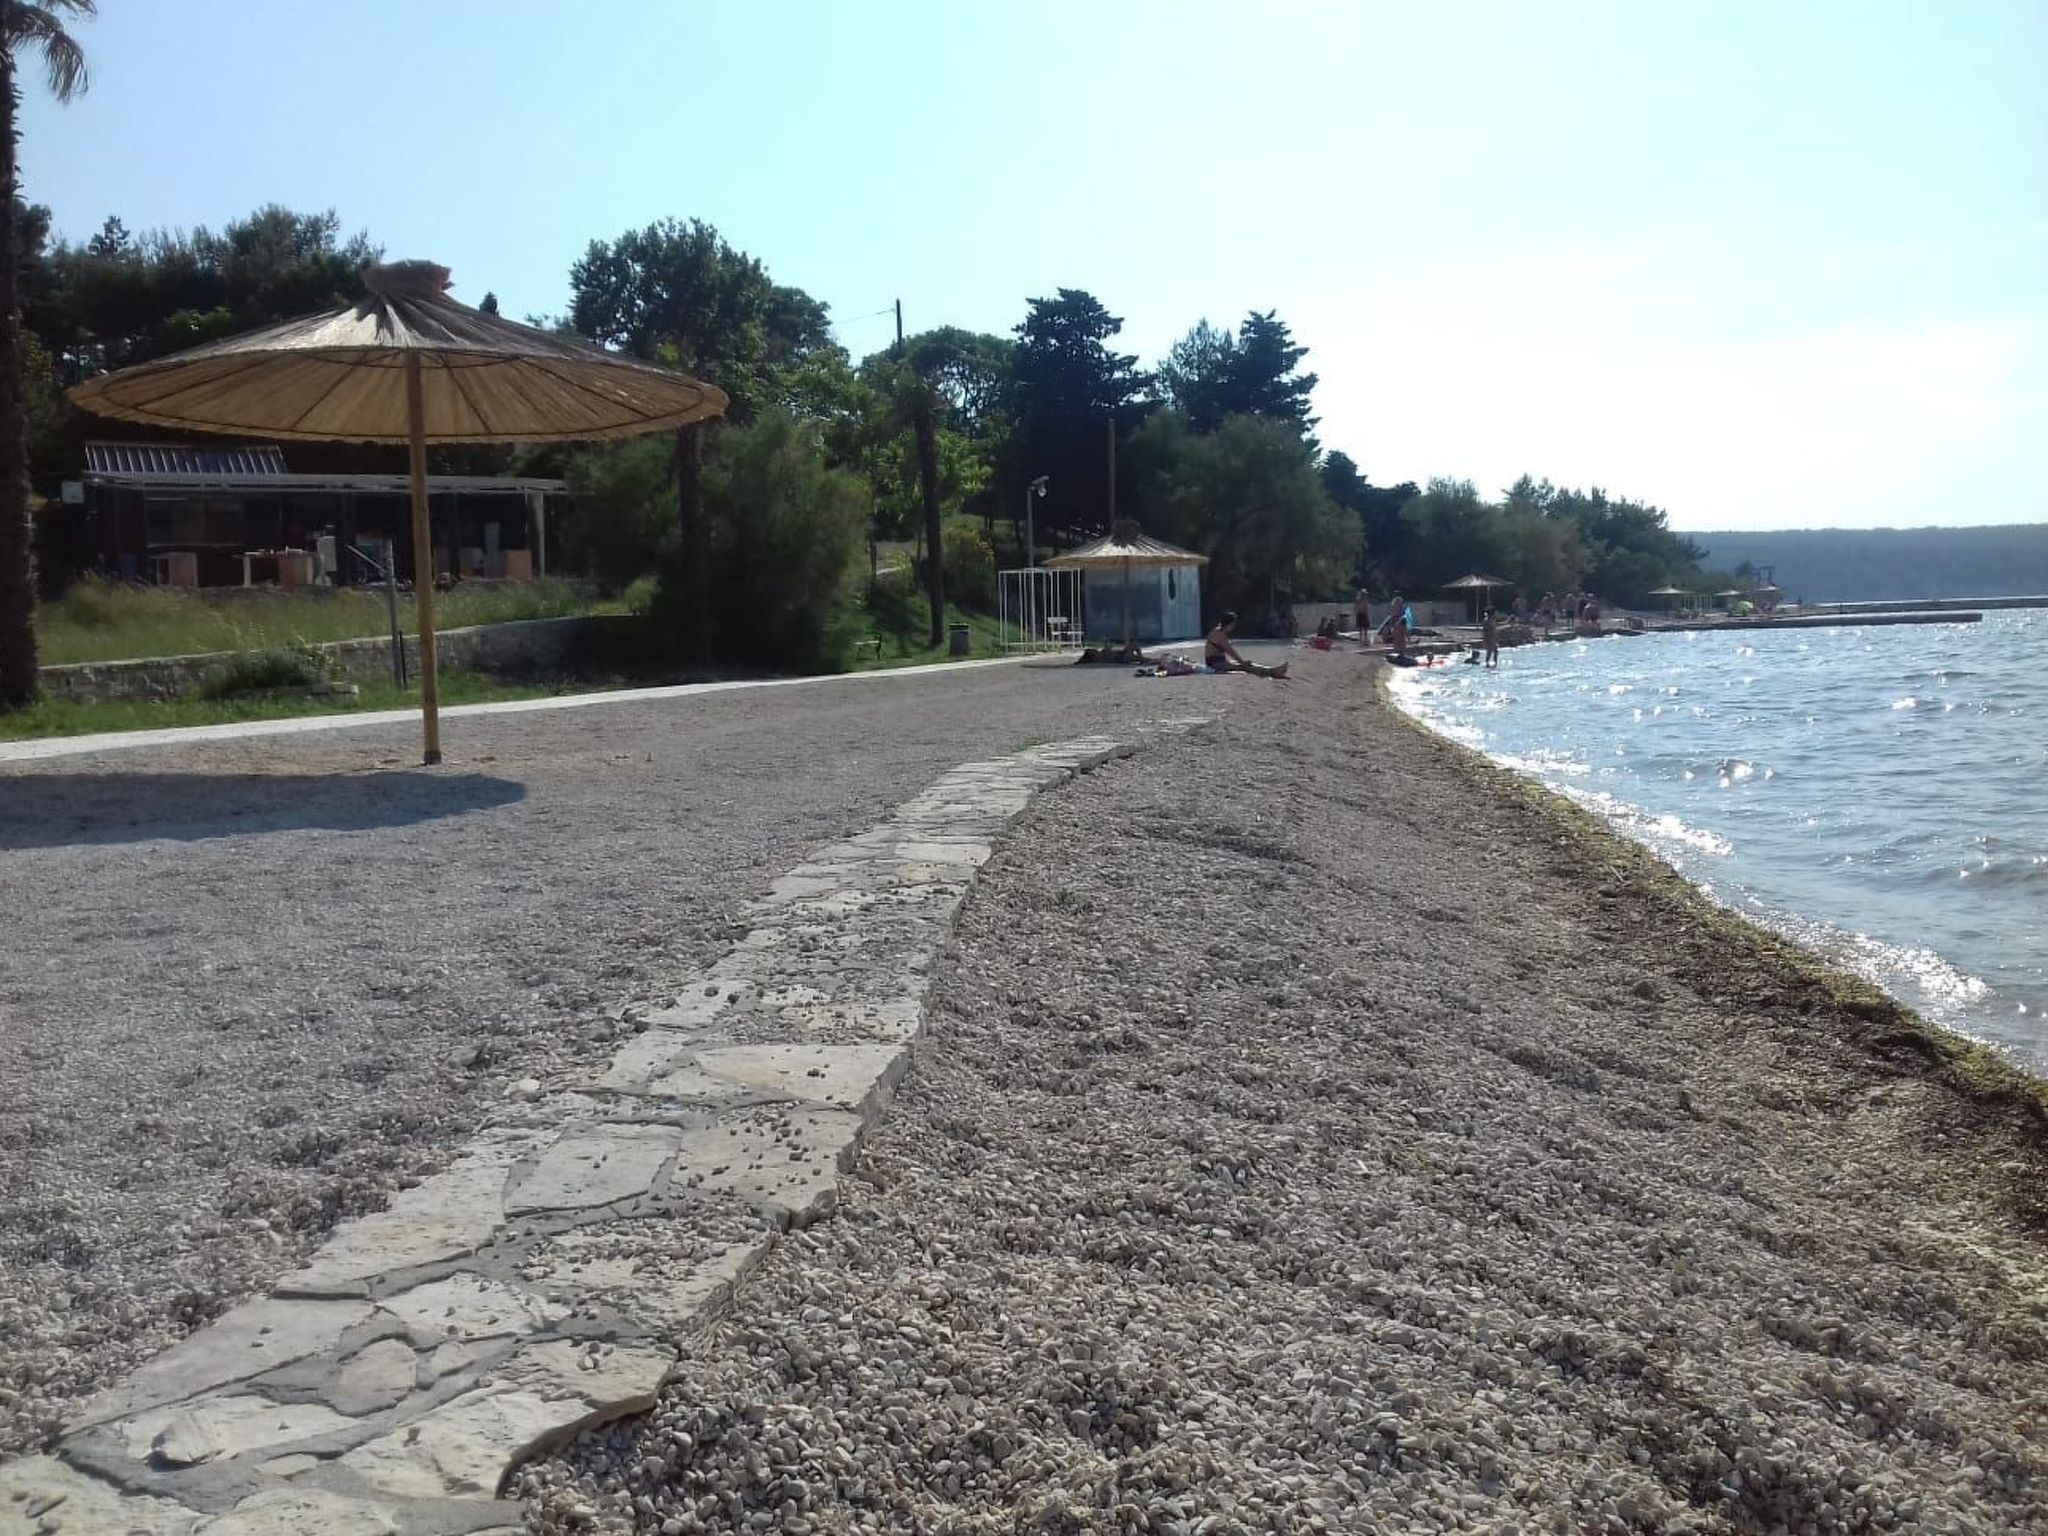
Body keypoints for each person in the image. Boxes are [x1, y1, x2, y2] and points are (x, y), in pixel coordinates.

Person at [1205, 611, 1289, 678]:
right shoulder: (1220, 634)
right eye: (1233, 623)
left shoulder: (1219, 631)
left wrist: (1241, 662)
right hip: (1215, 664)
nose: (1234, 626)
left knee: (1246, 665)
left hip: (1218, 661)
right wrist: (1242, 662)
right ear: (1229, 624)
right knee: (1245, 666)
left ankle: (1272, 670)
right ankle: (1272, 672)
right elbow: (1231, 652)